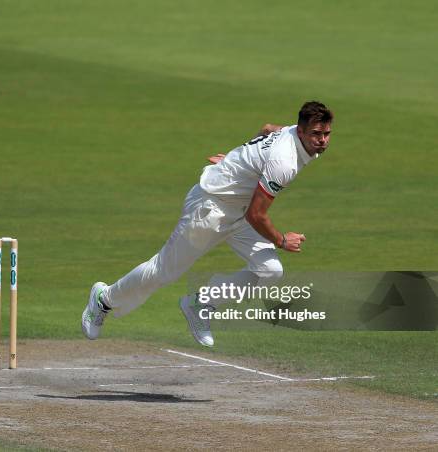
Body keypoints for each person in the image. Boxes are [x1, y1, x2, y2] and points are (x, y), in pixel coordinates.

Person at [82, 101, 333, 346]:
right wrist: (281, 240)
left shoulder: (289, 131)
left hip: (238, 209)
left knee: (270, 270)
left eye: (326, 134)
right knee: (164, 270)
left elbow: (267, 128)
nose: (322, 140)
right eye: (315, 134)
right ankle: (104, 298)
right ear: (300, 131)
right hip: (210, 208)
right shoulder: (285, 163)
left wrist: (238, 162)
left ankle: (200, 304)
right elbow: (257, 216)